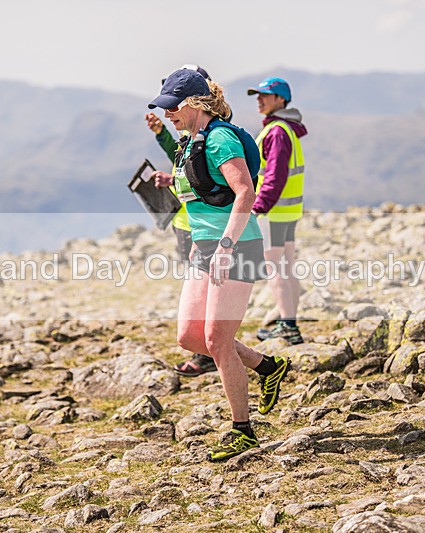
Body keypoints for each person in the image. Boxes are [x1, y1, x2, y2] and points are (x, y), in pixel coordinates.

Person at [148, 69, 290, 462]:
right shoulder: (188, 141)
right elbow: (198, 192)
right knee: (190, 338)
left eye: (173, 107)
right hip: (204, 249)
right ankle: (267, 365)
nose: (169, 114)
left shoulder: (221, 137)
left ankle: (242, 430)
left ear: (194, 103)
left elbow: (245, 191)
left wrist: (226, 245)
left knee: (216, 341)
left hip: (237, 247)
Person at [145, 65, 217, 378]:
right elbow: (183, 162)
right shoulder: (192, 133)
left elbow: (202, 178)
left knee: (202, 292)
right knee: (197, 291)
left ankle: (207, 354)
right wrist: (162, 134)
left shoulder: (213, 132)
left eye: (175, 103)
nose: (170, 111)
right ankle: (209, 349)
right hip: (187, 223)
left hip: (198, 227)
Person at [247, 77, 307, 345]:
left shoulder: (277, 131)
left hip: (273, 212)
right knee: (286, 267)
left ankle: (288, 326)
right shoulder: (286, 129)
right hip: (288, 211)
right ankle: (289, 321)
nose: (259, 99)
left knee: (276, 269)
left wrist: (258, 207)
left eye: (266, 95)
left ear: (281, 99)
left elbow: (274, 175)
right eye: (257, 95)